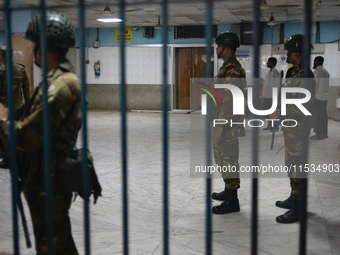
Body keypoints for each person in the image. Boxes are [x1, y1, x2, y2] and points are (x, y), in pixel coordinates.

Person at [0, 11, 81, 254]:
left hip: (50, 181)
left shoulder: (61, 87)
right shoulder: (55, 82)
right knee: (59, 244)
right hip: (44, 177)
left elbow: (27, 138)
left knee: (52, 246)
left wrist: (3, 119)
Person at [274, 34, 315, 223]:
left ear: (297, 53)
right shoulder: (294, 72)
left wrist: (280, 113)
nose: (287, 55)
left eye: (289, 52)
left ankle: (299, 207)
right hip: (291, 127)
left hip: (298, 126)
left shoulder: (306, 75)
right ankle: (295, 196)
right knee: (292, 163)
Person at [211, 31, 246, 214]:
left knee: (228, 158)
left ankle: (233, 200)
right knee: (222, 157)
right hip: (224, 120)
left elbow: (230, 99)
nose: (216, 49)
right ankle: (228, 189)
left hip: (228, 123)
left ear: (227, 48)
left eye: (219, 46)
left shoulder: (232, 69)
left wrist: (221, 124)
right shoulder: (226, 66)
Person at [0, 46, 31, 168]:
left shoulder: (1, 70)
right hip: (19, 107)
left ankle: (8, 159)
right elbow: (26, 90)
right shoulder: (21, 69)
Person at [309, 56, 330, 140]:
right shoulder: (326, 72)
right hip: (324, 96)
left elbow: (314, 85)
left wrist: (311, 97)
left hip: (317, 97)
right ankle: (324, 133)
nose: (313, 63)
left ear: (317, 62)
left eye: (314, 62)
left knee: (318, 116)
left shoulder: (317, 72)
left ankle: (319, 134)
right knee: (323, 115)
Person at [262, 57, 281, 131]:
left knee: (273, 111)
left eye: (268, 62)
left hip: (272, 96)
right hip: (267, 95)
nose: (267, 63)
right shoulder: (270, 71)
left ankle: (275, 126)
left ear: (272, 63)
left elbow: (277, 85)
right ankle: (270, 125)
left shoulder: (276, 72)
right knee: (268, 111)